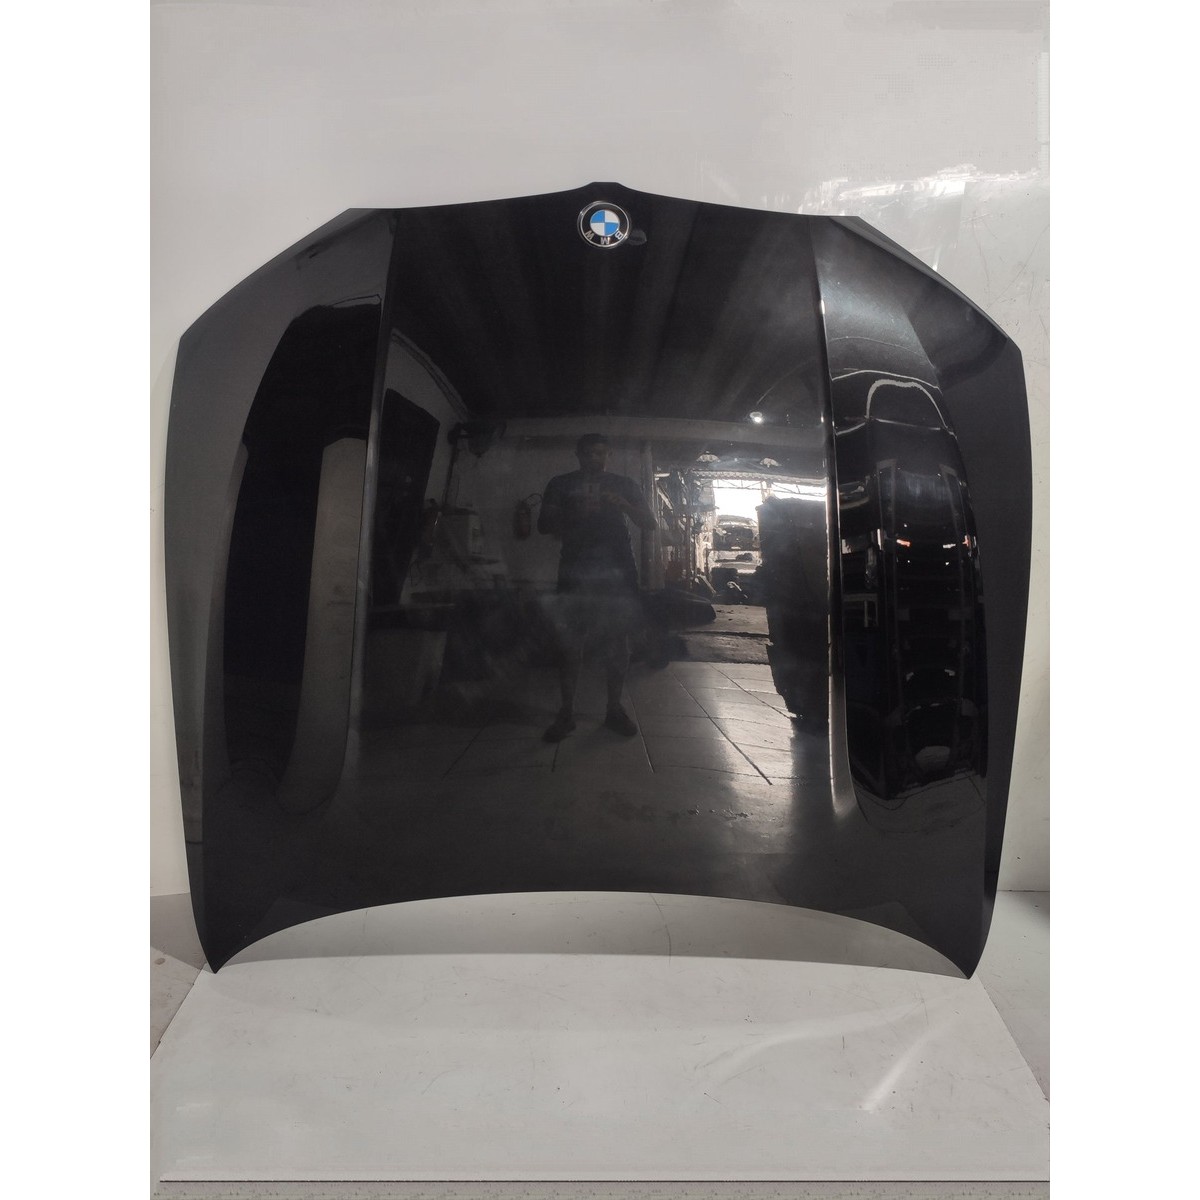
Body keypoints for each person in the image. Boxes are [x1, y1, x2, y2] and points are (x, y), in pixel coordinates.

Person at [538, 433, 657, 741]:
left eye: (601, 454)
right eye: (589, 454)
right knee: (570, 641)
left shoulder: (624, 484)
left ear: (608, 455)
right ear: (578, 455)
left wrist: (625, 505)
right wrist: (573, 511)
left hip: (618, 571)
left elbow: (650, 523)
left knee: (618, 640)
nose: (595, 459)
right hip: (576, 569)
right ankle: (566, 713)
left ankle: (613, 709)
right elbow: (543, 525)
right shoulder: (561, 484)